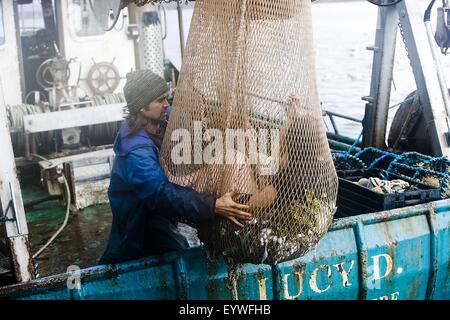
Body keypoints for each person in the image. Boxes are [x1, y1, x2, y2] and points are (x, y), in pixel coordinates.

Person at [99, 70, 252, 264]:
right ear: (142, 108)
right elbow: (160, 193)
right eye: (160, 100)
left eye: (167, 98)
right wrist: (212, 205)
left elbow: (186, 117)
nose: (167, 104)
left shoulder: (160, 119)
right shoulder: (136, 152)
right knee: (136, 258)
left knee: (232, 159)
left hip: (163, 204)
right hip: (141, 220)